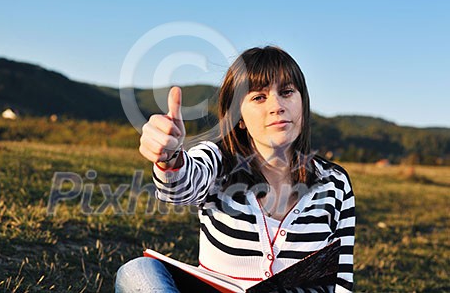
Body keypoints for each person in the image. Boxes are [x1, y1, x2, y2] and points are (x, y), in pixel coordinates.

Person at [116, 46, 355, 292]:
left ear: (302, 102)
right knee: (138, 271)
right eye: (258, 97)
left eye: (286, 92)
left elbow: (342, 280)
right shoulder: (217, 160)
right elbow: (179, 187)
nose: (277, 106)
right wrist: (170, 157)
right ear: (238, 116)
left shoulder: (334, 183)